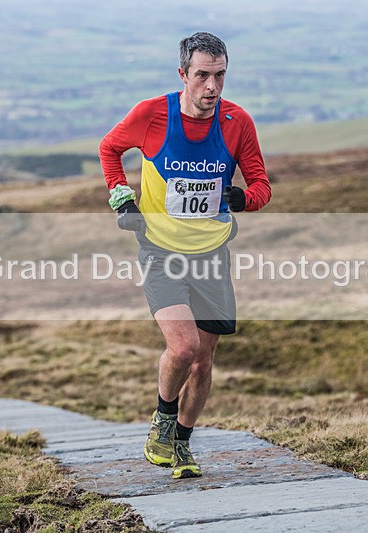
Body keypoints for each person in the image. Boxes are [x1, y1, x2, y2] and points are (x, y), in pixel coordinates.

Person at [98, 32, 271, 479]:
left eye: (220, 76)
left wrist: (241, 197)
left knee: (204, 360)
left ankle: (181, 445)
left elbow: (261, 187)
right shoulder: (152, 114)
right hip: (160, 250)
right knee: (184, 346)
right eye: (202, 76)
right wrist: (121, 196)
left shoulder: (237, 122)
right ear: (183, 75)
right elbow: (110, 148)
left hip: (212, 253)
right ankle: (162, 418)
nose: (212, 87)